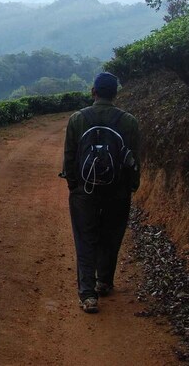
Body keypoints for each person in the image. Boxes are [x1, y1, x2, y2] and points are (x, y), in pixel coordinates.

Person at [61, 71, 140, 314]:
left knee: (85, 239)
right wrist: (131, 187)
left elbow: (70, 159)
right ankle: (104, 281)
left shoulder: (77, 119)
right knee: (111, 234)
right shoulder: (129, 122)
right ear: (116, 94)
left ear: (93, 92)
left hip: (85, 191)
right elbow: (134, 160)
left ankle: (88, 295)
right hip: (118, 191)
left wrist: (75, 186)